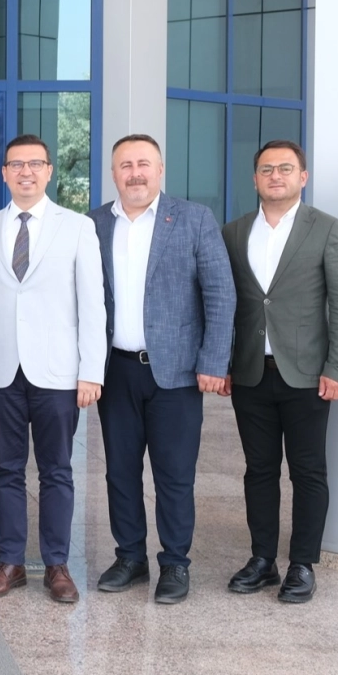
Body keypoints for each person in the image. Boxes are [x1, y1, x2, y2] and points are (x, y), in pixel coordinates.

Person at [88, 134, 234, 604]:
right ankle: (130, 557)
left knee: (174, 474)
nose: (135, 173)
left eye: (143, 164)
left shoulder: (194, 219)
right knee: (120, 471)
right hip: (116, 371)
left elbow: (220, 294)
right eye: (125, 165)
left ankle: (174, 562)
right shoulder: (93, 224)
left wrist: (214, 361)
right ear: (114, 173)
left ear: (160, 169)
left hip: (177, 373)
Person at [219, 140, 338, 604]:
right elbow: (224, 303)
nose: (275, 176)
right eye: (266, 169)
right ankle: (263, 560)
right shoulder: (234, 232)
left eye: (284, 168)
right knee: (258, 470)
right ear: (255, 178)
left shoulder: (327, 229)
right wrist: (222, 362)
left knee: (307, 471)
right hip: (250, 374)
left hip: (308, 375)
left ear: (303, 177)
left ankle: (302, 563)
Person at [0, 136, 106, 603]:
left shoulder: (78, 227)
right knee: (5, 469)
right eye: (16, 164)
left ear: (49, 171)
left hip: (58, 372)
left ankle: (56, 565)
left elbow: (92, 303)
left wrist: (91, 370)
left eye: (34, 164)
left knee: (56, 470)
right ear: (4, 173)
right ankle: (9, 562)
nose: (25, 172)